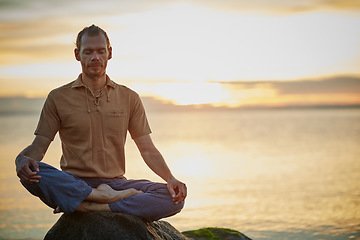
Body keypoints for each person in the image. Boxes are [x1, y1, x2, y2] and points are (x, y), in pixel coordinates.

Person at [15, 24, 187, 222]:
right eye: (88, 52)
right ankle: (96, 196)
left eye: (100, 51)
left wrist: (170, 178)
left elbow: (147, 149)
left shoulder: (129, 97)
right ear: (77, 55)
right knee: (32, 173)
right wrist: (21, 159)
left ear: (109, 53)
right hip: (73, 181)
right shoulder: (57, 98)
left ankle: (88, 205)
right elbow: (39, 145)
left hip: (116, 185)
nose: (95, 57)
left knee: (173, 197)